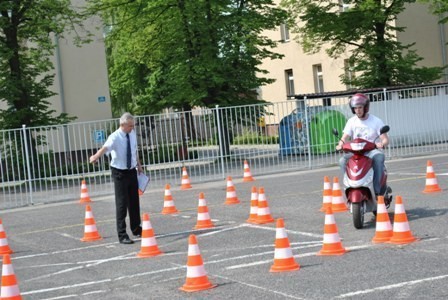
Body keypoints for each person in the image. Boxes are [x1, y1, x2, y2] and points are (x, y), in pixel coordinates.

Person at [90, 112, 143, 244]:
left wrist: (139, 165)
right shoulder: (114, 137)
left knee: (134, 202)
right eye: (130, 126)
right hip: (119, 172)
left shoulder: (132, 134)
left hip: (131, 170)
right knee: (122, 203)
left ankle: (136, 228)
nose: (133, 128)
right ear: (123, 125)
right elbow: (105, 148)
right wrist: (95, 157)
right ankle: (122, 234)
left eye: (133, 125)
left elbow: (134, 151)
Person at [335, 93, 389, 196]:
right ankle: (349, 185)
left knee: (379, 157)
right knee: (342, 161)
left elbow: (385, 139)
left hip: (371, 151)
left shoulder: (376, 121)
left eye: (360, 107)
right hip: (356, 152)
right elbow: (344, 138)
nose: (358, 110)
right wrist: (340, 144)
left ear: (365, 107)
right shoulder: (351, 121)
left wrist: (381, 143)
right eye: (355, 108)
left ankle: (378, 189)